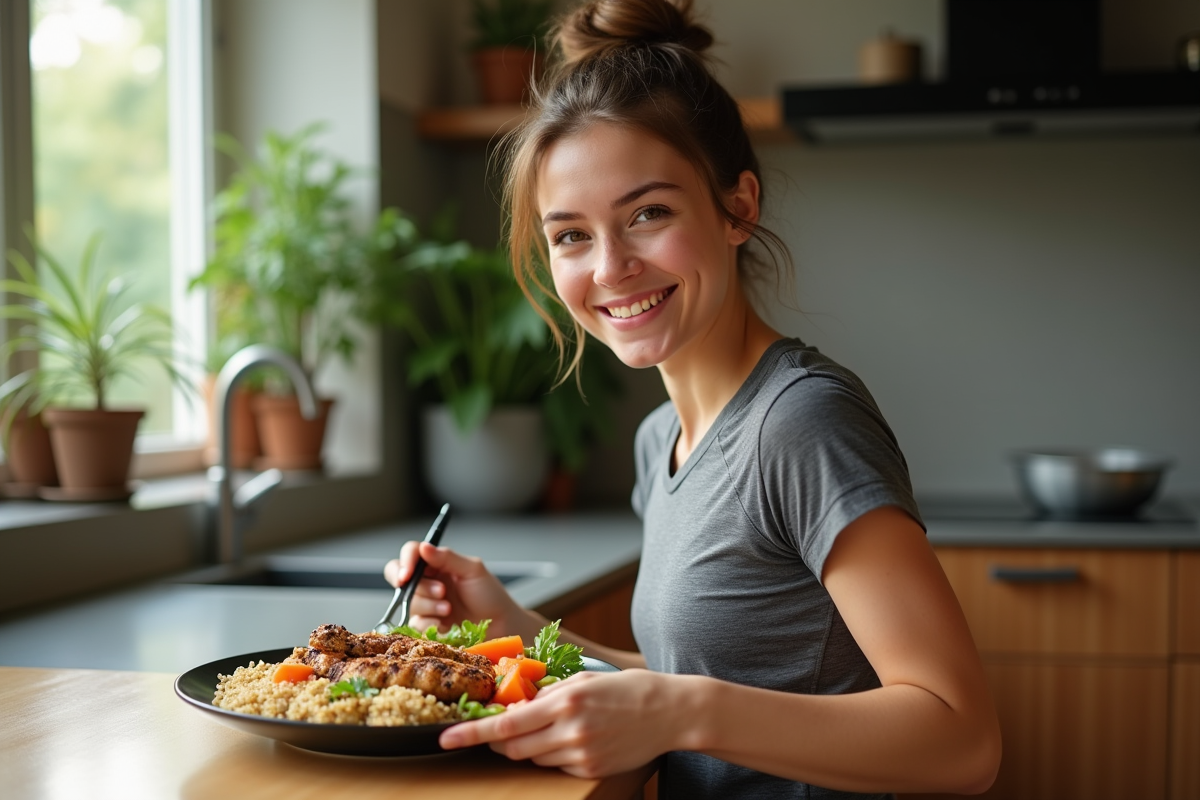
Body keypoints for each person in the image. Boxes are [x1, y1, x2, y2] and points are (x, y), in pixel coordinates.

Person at [384, 1, 1001, 796]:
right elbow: (682, 684)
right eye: (571, 234)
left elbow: (961, 741)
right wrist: (518, 629)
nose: (609, 268)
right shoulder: (662, 438)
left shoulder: (802, 422)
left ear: (738, 207)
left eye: (649, 214)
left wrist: (683, 710)